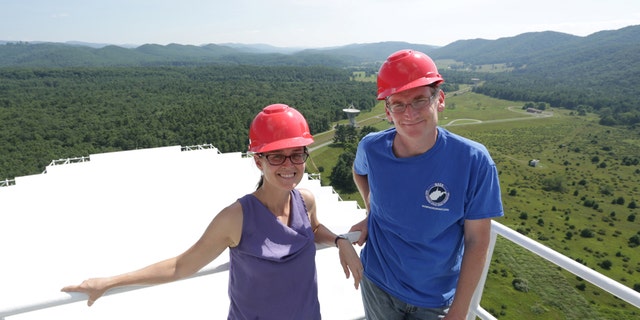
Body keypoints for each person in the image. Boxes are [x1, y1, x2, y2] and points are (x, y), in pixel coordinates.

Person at [62, 103, 363, 320]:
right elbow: (180, 266)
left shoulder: (305, 200)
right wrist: (109, 282)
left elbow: (312, 229)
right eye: (276, 156)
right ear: (258, 161)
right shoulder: (237, 217)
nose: (289, 165)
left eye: (296, 155)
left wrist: (339, 241)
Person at [349, 50, 504, 320]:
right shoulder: (372, 148)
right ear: (387, 111)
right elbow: (358, 172)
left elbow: (477, 239)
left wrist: (459, 311)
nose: (409, 113)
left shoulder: (473, 161)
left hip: (434, 299)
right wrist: (372, 211)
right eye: (398, 104)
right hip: (377, 283)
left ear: (439, 100)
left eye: (420, 100)